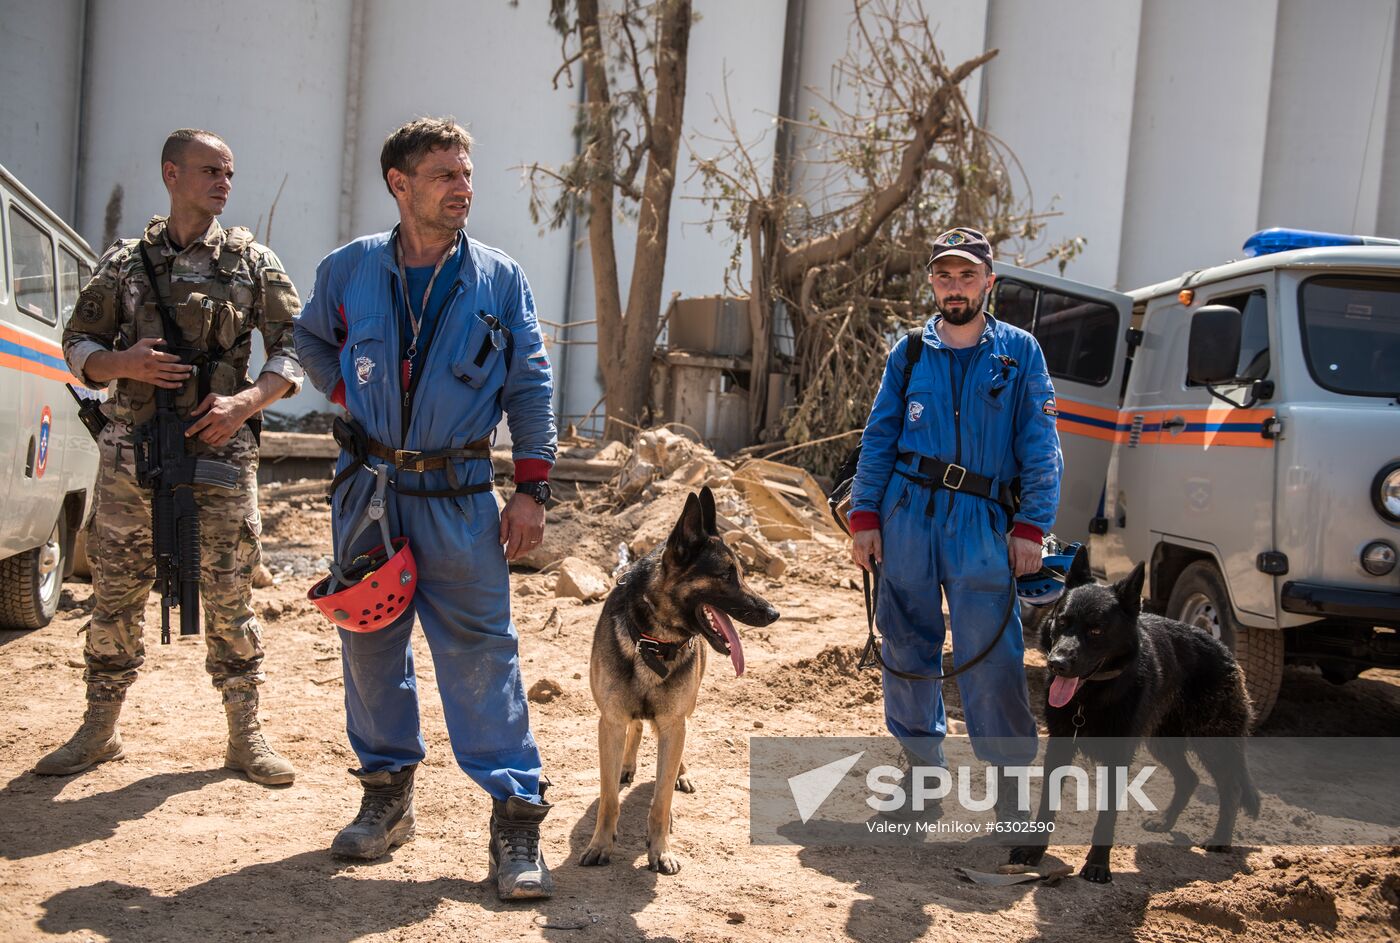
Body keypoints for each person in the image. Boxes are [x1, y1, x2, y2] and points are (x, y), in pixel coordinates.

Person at [294, 117, 557, 900]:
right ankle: (385, 796)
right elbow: (309, 339)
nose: (463, 188)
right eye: (445, 174)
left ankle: (514, 821)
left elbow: (531, 386)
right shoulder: (348, 271)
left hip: (460, 496)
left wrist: (532, 488)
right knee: (370, 644)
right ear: (399, 184)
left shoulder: (500, 279)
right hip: (369, 492)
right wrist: (350, 392)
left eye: (467, 174)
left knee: (483, 652)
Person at [42, 128, 303, 785]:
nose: (223, 182)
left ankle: (246, 736)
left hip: (219, 454)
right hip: (134, 452)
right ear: (171, 174)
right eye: (209, 170)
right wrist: (120, 362)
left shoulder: (252, 264)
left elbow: (298, 350)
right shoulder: (126, 264)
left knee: (228, 588)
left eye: (229, 173)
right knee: (117, 587)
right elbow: (76, 343)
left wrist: (244, 402)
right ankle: (99, 728)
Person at [847, 227, 1062, 816]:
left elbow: (1042, 445)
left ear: (990, 282)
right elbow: (881, 435)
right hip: (906, 515)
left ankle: (1013, 796)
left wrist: (1031, 527)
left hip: (982, 522)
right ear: (932, 282)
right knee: (907, 645)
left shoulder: (1019, 352)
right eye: (945, 275)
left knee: (992, 654)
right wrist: (864, 515)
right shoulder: (910, 351)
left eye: (968, 276)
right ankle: (922, 784)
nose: (955, 286)